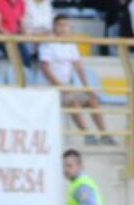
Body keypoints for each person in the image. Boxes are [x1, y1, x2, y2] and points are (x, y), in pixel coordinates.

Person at [39, 15, 113, 145]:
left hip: (68, 87)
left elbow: (79, 67)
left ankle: (105, 134)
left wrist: (88, 88)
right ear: (54, 27)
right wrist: (62, 86)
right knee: (73, 101)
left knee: (92, 99)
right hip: (51, 89)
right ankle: (87, 135)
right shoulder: (47, 44)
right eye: (60, 25)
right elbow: (46, 69)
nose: (62, 28)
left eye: (65, 25)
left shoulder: (71, 45)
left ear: (70, 28)